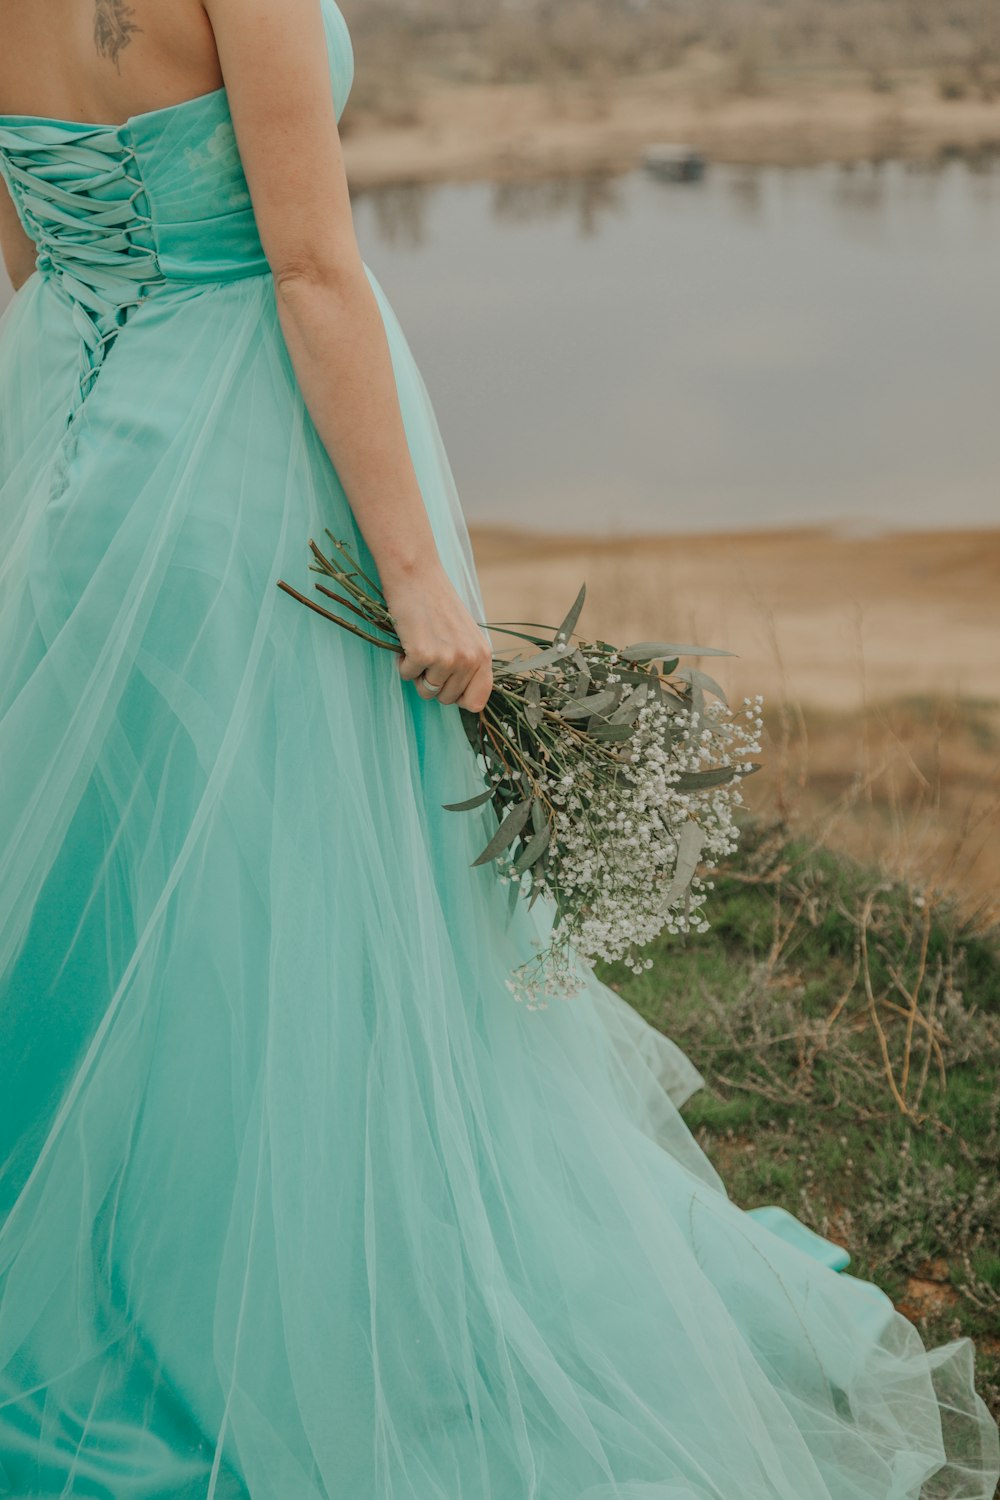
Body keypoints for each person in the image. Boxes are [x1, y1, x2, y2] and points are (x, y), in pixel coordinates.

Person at [0, 2, 996, 1496]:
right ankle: (293, 1300)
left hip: (75, 474)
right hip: (251, 481)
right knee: (295, 916)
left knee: (119, 894)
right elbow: (313, 271)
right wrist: (413, 574)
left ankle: (109, 1283)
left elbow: (30, 255)